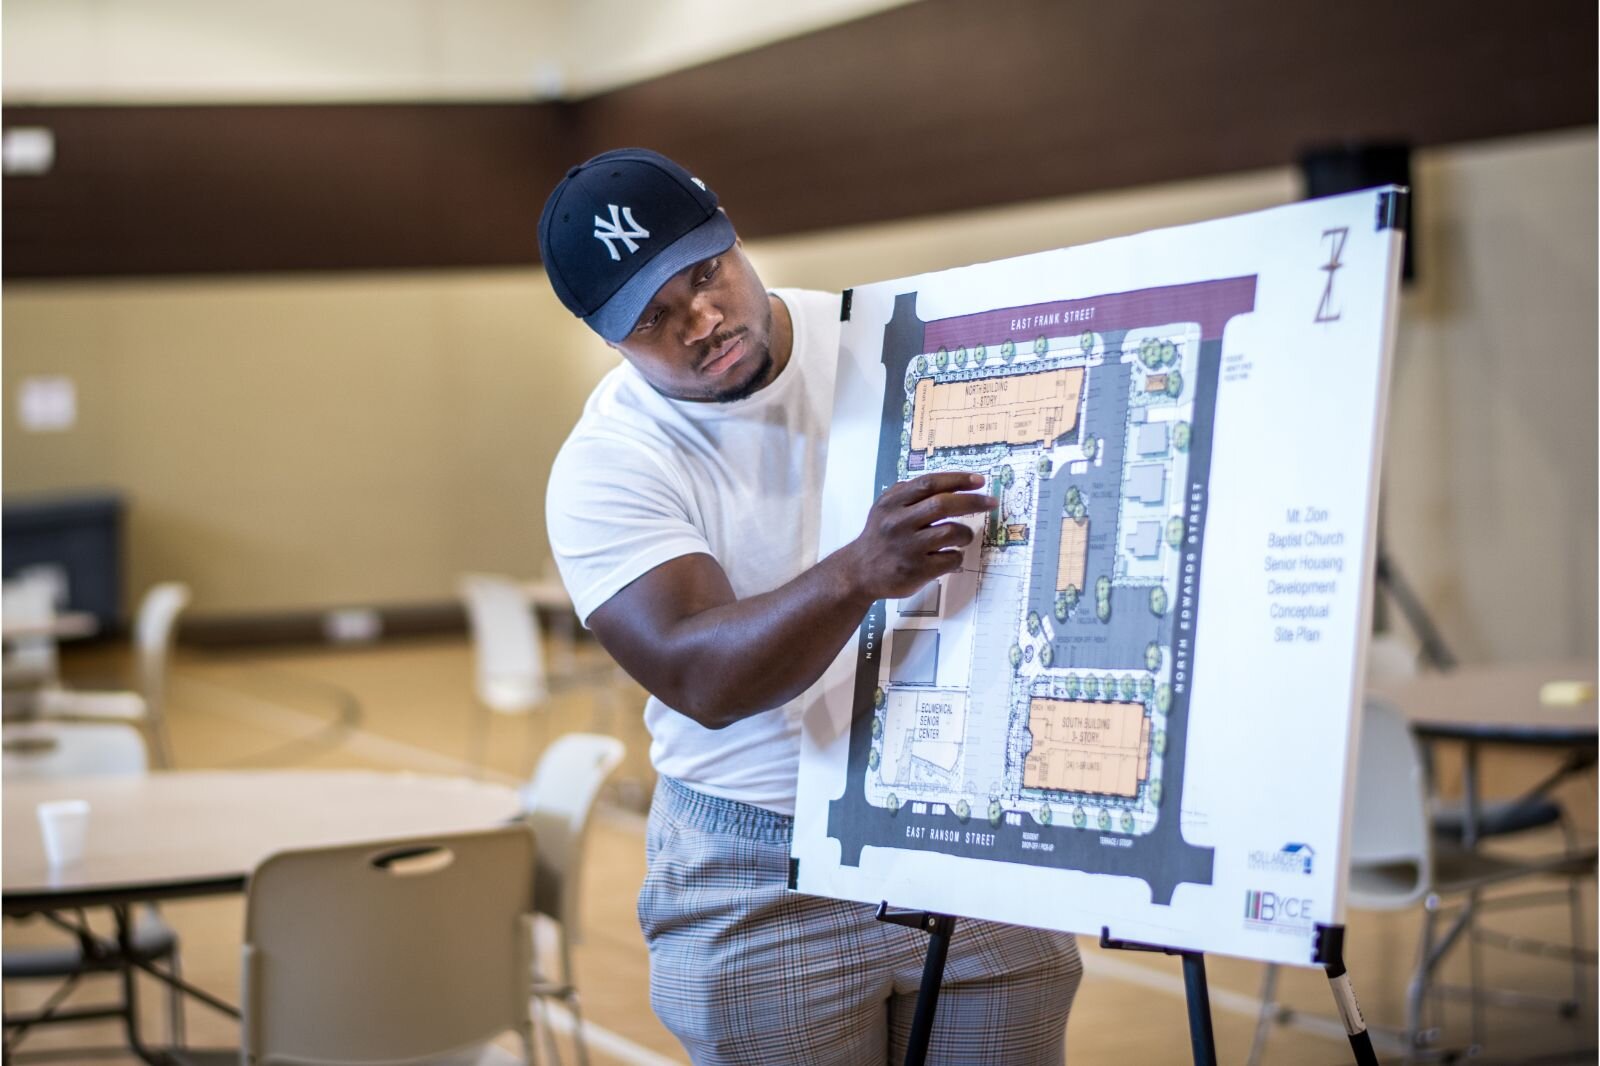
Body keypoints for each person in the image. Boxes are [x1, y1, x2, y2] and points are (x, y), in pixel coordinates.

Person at [539, 148, 1081, 1065]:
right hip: (756, 864)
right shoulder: (609, 464)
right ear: (609, 338)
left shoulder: (899, 344)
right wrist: (855, 574)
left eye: (704, 274)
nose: (703, 320)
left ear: (731, 235)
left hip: (961, 814)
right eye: (656, 319)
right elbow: (701, 676)